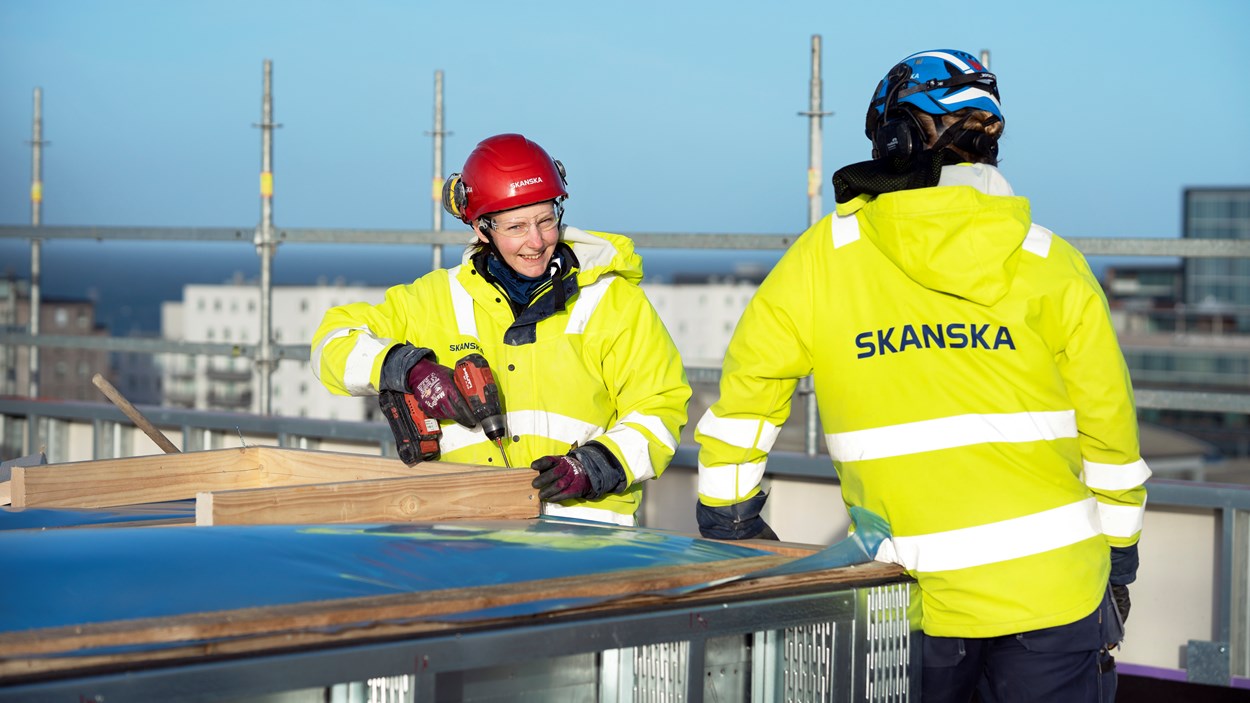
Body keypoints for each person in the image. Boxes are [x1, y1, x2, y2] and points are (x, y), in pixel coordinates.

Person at [694, 50, 1148, 701]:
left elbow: (745, 406)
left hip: (907, 604)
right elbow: (1112, 437)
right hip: (1057, 597)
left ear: (894, 138)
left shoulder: (822, 259)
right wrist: (1121, 562)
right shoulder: (1051, 260)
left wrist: (732, 524)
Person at [312, 133, 691, 526]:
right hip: (463, 533)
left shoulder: (612, 301)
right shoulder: (433, 299)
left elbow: (660, 407)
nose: (537, 241)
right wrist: (405, 368)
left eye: (546, 220)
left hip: (585, 538)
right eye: (516, 227)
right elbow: (330, 345)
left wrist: (598, 465)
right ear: (481, 228)